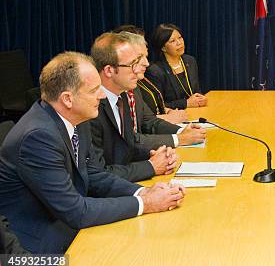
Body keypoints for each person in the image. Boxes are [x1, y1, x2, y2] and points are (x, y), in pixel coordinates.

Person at [0, 52, 185, 255]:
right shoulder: (38, 137)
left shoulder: (75, 118)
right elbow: (75, 211)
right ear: (67, 99)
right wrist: (146, 204)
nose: (102, 95)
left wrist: (142, 192)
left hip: (67, 229)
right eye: (94, 90)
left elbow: (93, 174)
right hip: (35, 253)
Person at [88, 32, 181, 182]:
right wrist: (150, 166)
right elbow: (96, 175)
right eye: (133, 65)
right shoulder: (90, 109)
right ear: (109, 71)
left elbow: (127, 146)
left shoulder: (122, 95)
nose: (139, 70)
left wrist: (160, 155)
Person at [116, 31, 207, 151]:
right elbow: (131, 141)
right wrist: (179, 138)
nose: (146, 63)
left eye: (180, 38)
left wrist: (181, 131)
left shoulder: (134, 89)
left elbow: (149, 121)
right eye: (137, 59)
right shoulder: (154, 72)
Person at [113, 25, 187, 124]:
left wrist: (169, 111)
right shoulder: (123, 88)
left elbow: (149, 111)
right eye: (139, 56)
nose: (146, 63)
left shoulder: (138, 82)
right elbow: (139, 124)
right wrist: (169, 119)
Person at [146, 24, 207, 109]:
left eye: (180, 38)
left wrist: (201, 98)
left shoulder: (190, 61)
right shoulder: (155, 71)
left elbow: (196, 91)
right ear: (163, 48)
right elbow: (157, 106)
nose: (179, 43)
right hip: (173, 118)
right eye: (172, 41)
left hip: (196, 112)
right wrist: (186, 103)